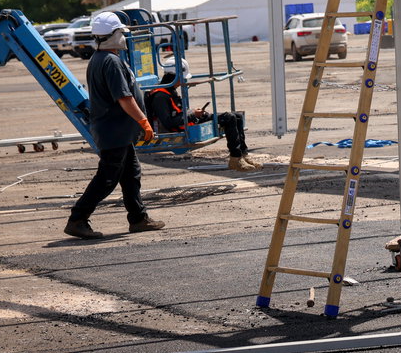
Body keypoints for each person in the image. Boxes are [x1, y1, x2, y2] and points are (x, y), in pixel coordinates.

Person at [65, 12, 166, 239]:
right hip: (114, 132)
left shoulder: (100, 58)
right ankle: (77, 219)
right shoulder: (110, 61)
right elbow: (125, 98)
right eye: (121, 32)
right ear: (113, 35)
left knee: (131, 174)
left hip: (118, 131)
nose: (123, 37)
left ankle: (138, 218)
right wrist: (144, 122)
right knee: (107, 178)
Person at [146, 61, 259, 172]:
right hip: (184, 126)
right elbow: (168, 122)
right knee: (229, 118)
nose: (184, 81)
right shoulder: (160, 96)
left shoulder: (169, 90)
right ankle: (235, 158)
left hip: (188, 120)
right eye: (182, 78)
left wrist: (194, 113)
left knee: (237, 116)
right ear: (175, 76)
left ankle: (243, 154)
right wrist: (192, 114)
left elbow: (178, 112)